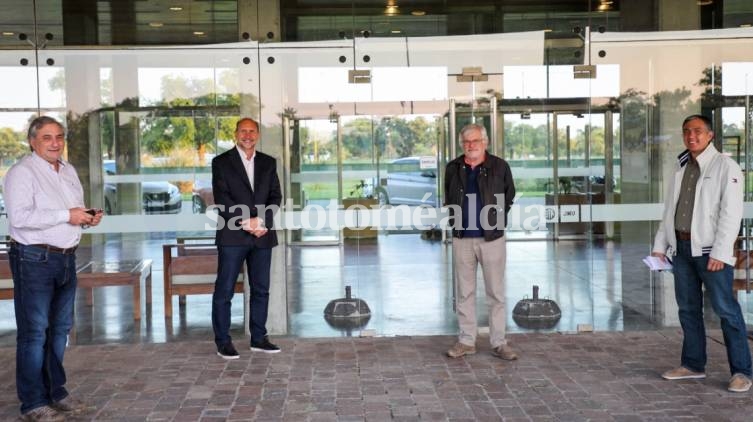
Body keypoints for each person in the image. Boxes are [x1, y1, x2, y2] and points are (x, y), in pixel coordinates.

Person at [4, 116, 103, 421]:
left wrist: (85, 217)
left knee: (59, 331)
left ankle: (56, 393)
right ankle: (33, 403)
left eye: (59, 137)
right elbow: (19, 217)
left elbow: (70, 212)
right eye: (47, 137)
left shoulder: (68, 170)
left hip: (65, 258)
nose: (55, 143)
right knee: (35, 333)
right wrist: (67, 215)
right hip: (34, 259)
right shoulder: (21, 173)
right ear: (32, 141)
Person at [652, 114, 752, 393]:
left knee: (726, 311)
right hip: (682, 250)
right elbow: (669, 211)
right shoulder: (681, 165)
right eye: (686, 131)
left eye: (697, 131)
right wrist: (661, 246)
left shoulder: (725, 166)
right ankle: (693, 365)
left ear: (710, 135)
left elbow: (731, 214)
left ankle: (742, 371)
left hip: (711, 253)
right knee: (688, 309)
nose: (691, 136)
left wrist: (721, 252)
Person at [444, 123, 517, 360]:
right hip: (462, 237)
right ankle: (467, 341)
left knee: (496, 292)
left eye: (475, 141)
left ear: (484, 142)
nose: (470, 145)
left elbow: (509, 194)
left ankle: (499, 343)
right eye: (466, 142)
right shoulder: (453, 167)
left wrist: (495, 219)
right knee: (464, 292)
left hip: (492, 238)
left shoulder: (499, 166)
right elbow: (449, 196)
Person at [211, 117, 282, 359]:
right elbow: (222, 197)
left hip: (262, 235)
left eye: (252, 131)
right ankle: (223, 341)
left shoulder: (269, 163)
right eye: (243, 131)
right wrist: (246, 221)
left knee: (261, 289)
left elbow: (275, 197)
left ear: (258, 135)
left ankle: (259, 339)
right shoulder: (221, 162)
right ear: (236, 134)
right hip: (232, 234)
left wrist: (260, 222)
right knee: (225, 290)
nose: (247, 135)